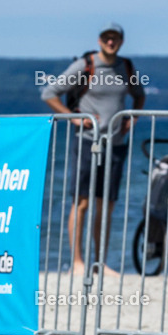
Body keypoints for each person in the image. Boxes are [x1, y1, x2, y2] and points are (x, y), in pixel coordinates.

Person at [41, 23, 145, 276]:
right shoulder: (85, 65)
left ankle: (100, 262)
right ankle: (77, 262)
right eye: (107, 38)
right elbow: (49, 93)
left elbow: (139, 95)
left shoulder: (126, 67)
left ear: (121, 41)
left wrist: (133, 117)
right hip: (88, 141)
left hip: (115, 144)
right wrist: (74, 118)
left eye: (115, 38)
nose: (111, 42)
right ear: (99, 40)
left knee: (106, 205)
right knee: (82, 202)